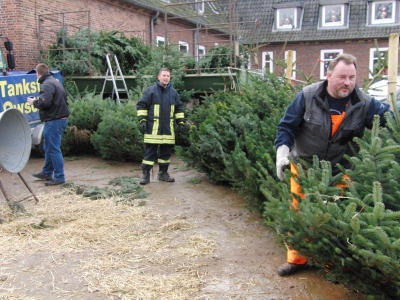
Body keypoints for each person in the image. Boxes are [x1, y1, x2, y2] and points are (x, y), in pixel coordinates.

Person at [274, 53, 392, 276]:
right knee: (300, 213)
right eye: (341, 77)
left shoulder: (364, 103)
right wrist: (282, 155)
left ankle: (331, 262)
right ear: (328, 75)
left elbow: (388, 119)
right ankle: (297, 260)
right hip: (305, 168)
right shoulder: (307, 96)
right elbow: (286, 127)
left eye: (352, 77)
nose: (347, 82)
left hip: (341, 171)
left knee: (336, 217)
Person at [136, 67, 185, 185]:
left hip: (168, 129)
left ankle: (163, 174)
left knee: (166, 154)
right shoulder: (150, 91)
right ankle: (146, 175)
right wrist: (142, 120)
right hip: (152, 129)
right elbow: (142, 106)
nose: (166, 78)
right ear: (158, 77)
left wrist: (181, 122)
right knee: (149, 153)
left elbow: (179, 108)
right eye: (164, 75)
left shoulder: (173, 93)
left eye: (168, 76)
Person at [27, 63, 70, 186]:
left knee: (53, 149)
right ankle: (46, 172)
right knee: (48, 147)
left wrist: (34, 102)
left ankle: (59, 177)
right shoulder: (54, 81)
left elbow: (45, 103)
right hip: (57, 119)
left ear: (37, 73)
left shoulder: (47, 84)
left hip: (55, 120)